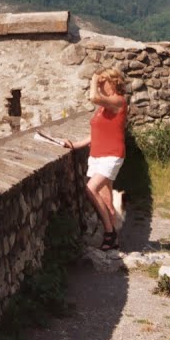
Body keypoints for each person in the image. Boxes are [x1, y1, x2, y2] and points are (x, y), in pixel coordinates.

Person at [63, 67, 127, 250]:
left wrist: (94, 80)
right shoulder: (103, 108)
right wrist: (75, 145)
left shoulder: (118, 102)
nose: (100, 84)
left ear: (113, 83)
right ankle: (114, 239)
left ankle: (109, 232)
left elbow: (93, 97)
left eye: (103, 81)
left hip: (112, 155)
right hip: (98, 155)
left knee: (91, 189)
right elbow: (96, 133)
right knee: (107, 200)